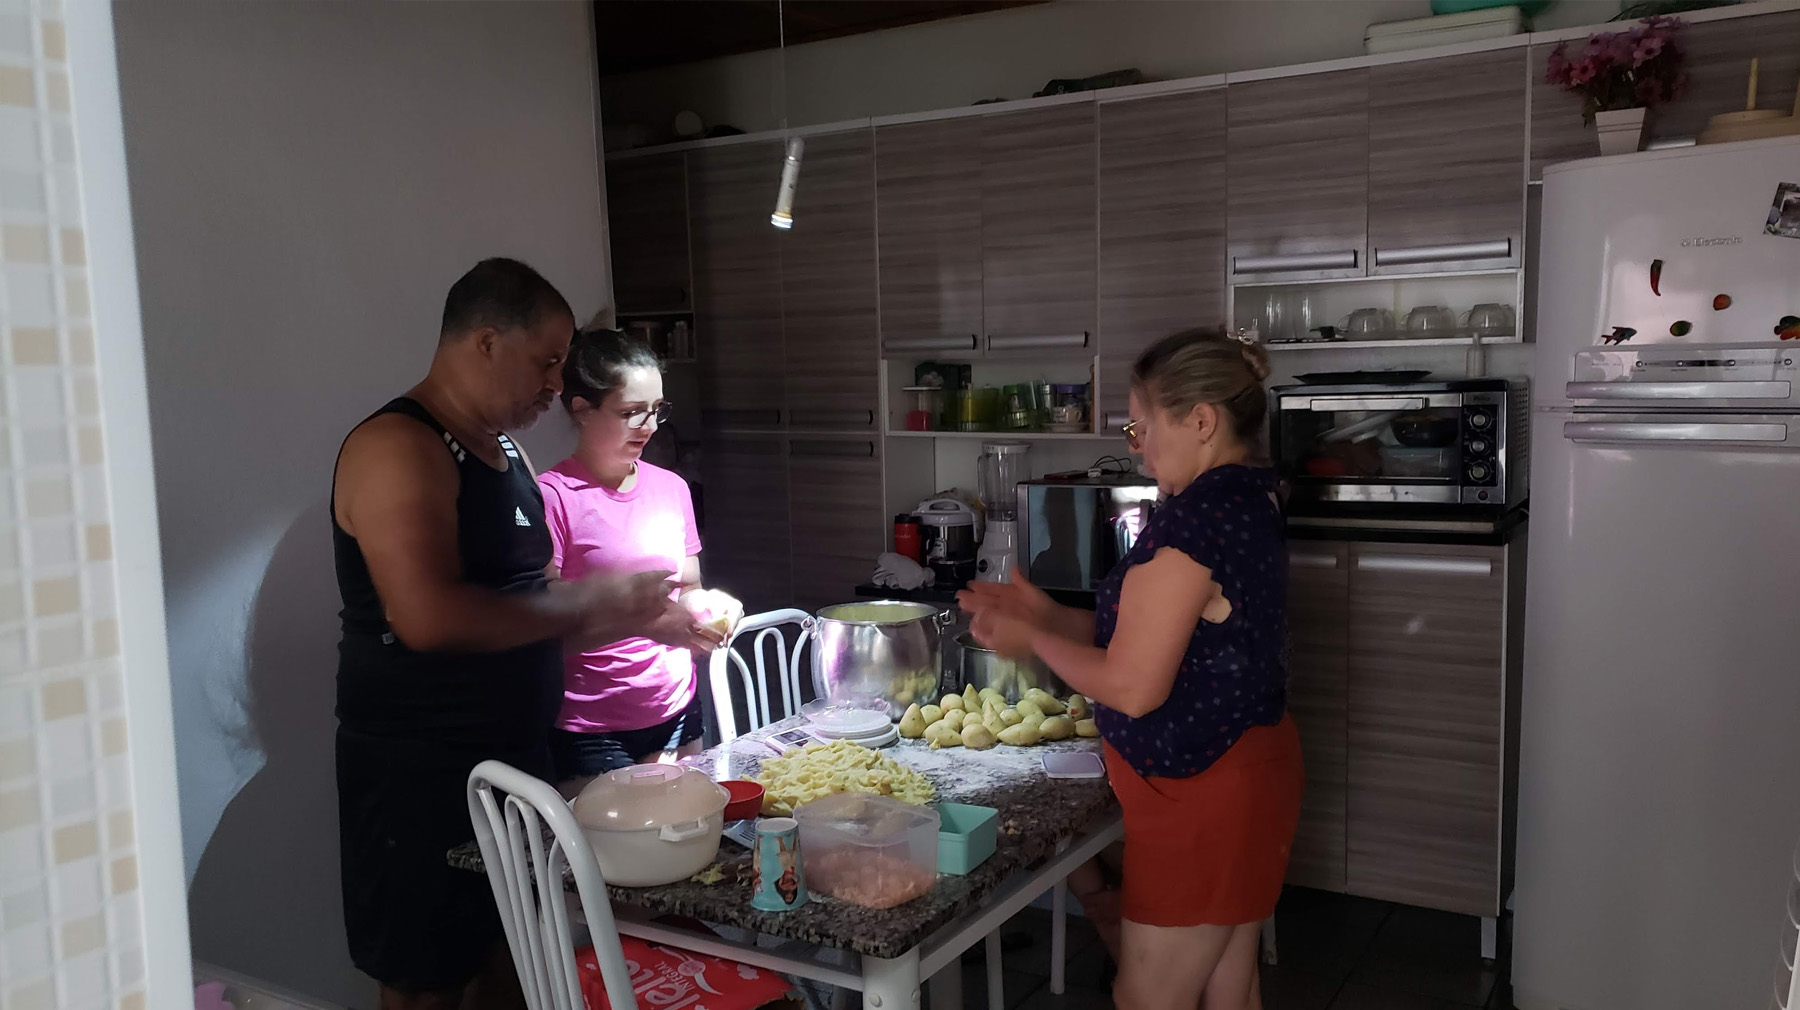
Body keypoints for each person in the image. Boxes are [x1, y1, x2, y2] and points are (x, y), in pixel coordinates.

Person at [332, 258, 700, 1010]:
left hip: (510, 764)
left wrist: (634, 615)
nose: (553, 384)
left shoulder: (504, 453)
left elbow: (525, 603)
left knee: (517, 963)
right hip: (420, 776)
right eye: (547, 361)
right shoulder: (399, 446)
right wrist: (594, 603)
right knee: (426, 983)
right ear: (487, 342)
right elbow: (428, 619)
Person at [958, 328, 1302, 1010]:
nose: (1135, 443)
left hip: (1205, 795)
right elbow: (1155, 641)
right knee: (1229, 992)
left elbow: (1134, 687)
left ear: (1200, 421)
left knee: (1148, 999)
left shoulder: (1198, 523)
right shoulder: (1243, 498)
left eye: (1140, 426)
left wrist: (1035, 640)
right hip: (1243, 772)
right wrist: (1048, 616)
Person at [537, 329, 723, 784]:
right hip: (592, 726)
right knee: (611, 854)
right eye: (631, 413)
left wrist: (712, 607)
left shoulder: (672, 489)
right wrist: (646, 620)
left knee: (690, 846)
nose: (650, 426)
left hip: (676, 706)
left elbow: (690, 588)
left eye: (656, 410)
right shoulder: (553, 496)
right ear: (582, 410)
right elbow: (545, 621)